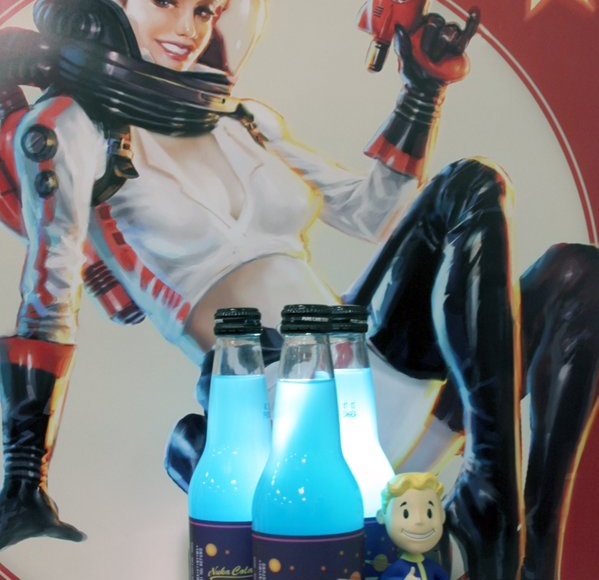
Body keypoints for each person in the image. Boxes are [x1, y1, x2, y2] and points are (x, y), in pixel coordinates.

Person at [0, 1, 596, 578]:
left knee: (577, 273)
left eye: (205, 10)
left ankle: (525, 547)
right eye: (166, 2)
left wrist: (421, 94)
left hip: (371, 377)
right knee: (472, 185)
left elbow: (370, 214)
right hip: (281, 414)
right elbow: (49, 294)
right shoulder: (70, 129)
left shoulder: (240, 120)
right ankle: (488, 502)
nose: (188, 28)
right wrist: (25, 474)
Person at [377, 472, 448, 580]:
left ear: (442, 515)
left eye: (429, 513)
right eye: (406, 514)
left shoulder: (432, 566)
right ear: (382, 517)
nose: (419, 521)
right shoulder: (397, 568)